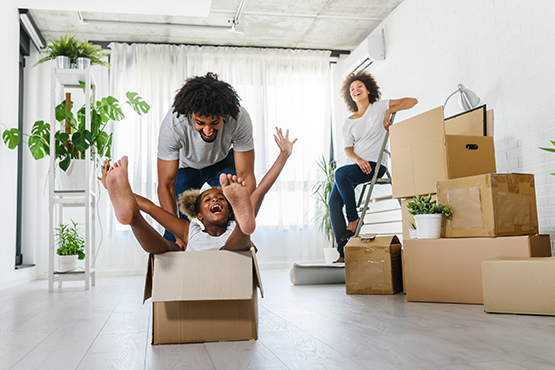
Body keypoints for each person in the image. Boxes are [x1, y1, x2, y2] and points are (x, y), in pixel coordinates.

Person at [99, 127, 296, 253]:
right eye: (208, 200)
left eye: (220, 199)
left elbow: (260, 190)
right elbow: (151, 208)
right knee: (168, 249)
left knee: (237, 241)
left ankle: (246, 228)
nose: (215, 201)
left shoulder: (233, 226)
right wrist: (116, 189)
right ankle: (133, 218)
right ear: (199, 216)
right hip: (193, 260)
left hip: (231, 250)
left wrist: (284, 155)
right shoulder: (188, 229)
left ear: (230, 210)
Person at [157, 72, 256, 247]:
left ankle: (237, 241)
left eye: (215, 122)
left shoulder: (238, 119)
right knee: (173, 231)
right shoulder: (174, 125)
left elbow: (246, 176)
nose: (208, 130)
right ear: (189, 114)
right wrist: (178, 236)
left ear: (224, 115)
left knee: (229, 208)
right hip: (185, 168)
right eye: (200, 123)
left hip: (222, 162)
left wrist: (243, 233)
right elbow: (165, 185)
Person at [329, 71, 418, 263]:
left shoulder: (378, 107)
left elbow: (413, 101)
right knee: (333, 203)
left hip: (374, 165)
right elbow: (347, 150)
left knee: (340, 173)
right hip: (354, 167)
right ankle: (343, 253)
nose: (356, 90)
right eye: (352, 89)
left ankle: (353, 219)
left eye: (359, 86)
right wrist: (358, 159)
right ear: (350, 96)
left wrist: (388, 112)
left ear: (368, 90)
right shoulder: (349, 121)